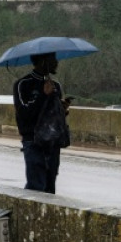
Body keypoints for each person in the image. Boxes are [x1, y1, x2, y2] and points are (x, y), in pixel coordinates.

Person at [13, 52, 71, 194]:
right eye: (53, 59)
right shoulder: (22, 84)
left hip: (52, 142)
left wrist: (62, 109)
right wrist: (43, 95)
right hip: (33, 142)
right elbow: (23, 114)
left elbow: (53, 116)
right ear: (43, 61)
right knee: (36, 187)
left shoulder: (56, 85)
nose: (56, 62)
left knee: (50, 188)